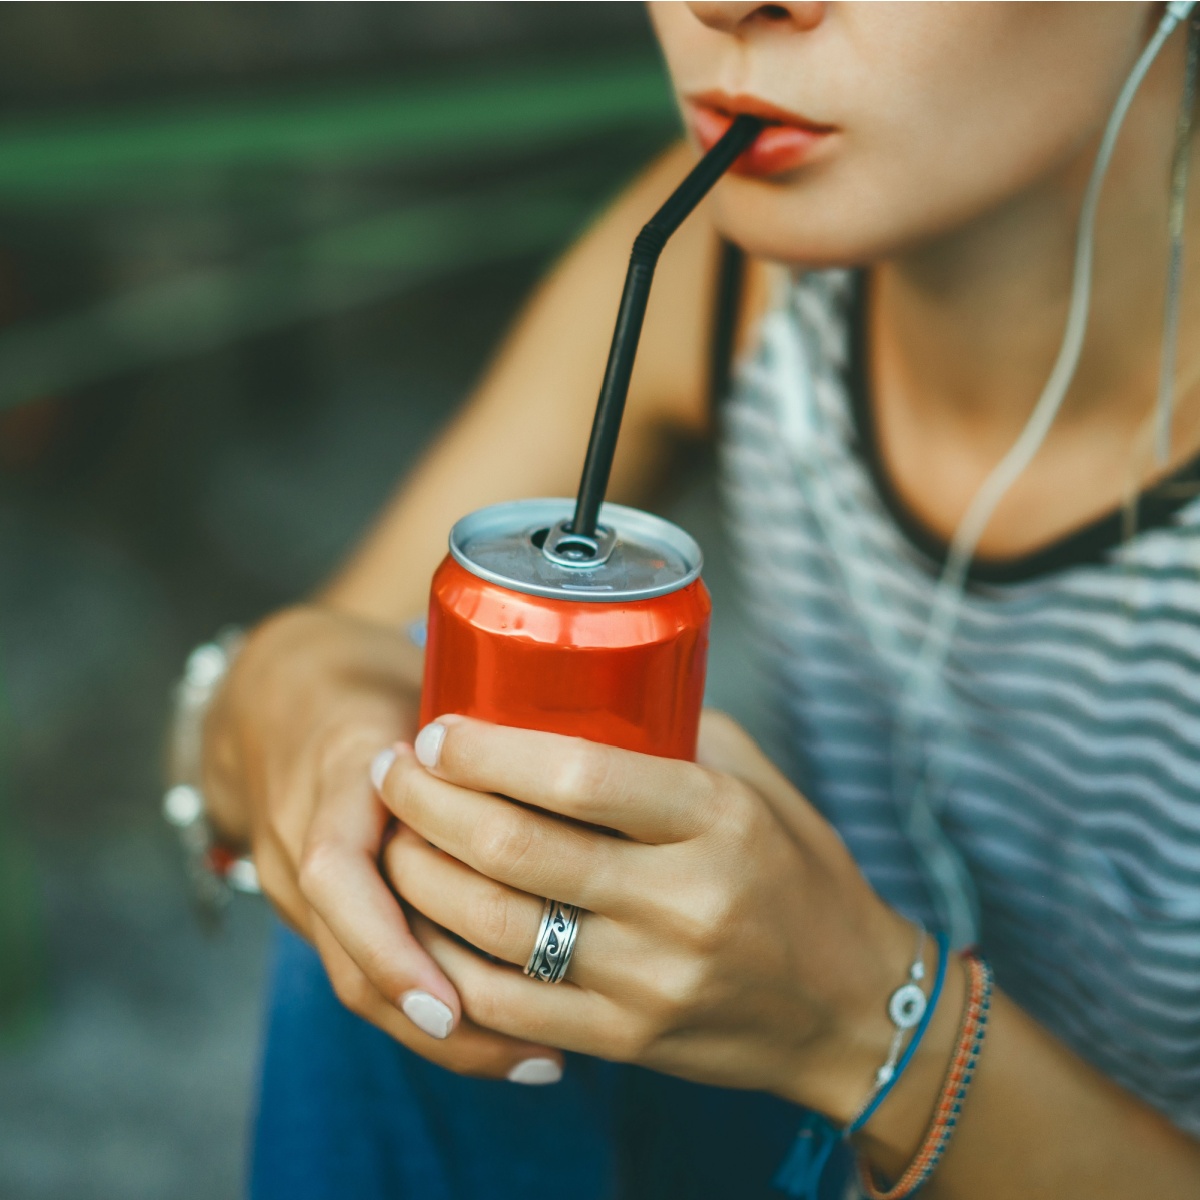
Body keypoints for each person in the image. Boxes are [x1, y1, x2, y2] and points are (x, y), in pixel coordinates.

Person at [196, 4, 1200, 1197]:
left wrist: (862, 1024)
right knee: (425, 869)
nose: (730, 4)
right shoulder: (727, 274)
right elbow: (259, 732)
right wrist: (273, 693)